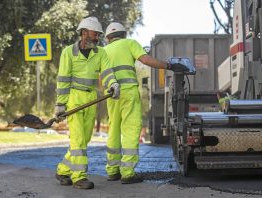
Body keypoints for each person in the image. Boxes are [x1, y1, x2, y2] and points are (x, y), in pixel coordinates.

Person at [102, 22, 184, 184]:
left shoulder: (102, 51)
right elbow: (146, 60)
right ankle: (127, 172)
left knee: (114, 129)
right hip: (128, 92)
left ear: (107, 37)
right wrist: (169, 66)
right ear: (123, 34)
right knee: (130, 129)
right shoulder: (129, 43)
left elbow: (100, 78)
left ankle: (112, 170)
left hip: (111, 94)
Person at [54, 16, 120, 190]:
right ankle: (79, 177)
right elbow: (63, 80)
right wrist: (60, 104)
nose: (97, 38)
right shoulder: (69, 52)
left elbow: (107, 72)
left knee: (84, 140)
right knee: (77, 140)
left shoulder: (100, 53)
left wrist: (112, 83)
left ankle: (62, 170)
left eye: (99, 35)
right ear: (83, 33)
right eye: (94, 34)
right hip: (74, 100)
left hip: (91, 99)